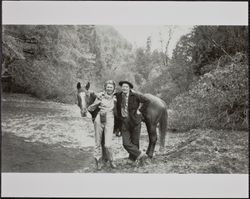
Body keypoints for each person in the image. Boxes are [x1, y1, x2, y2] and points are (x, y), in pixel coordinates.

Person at [115, 80, 150, 165]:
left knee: (135, 142)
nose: (124, 88)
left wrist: (140, 110)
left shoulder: (136, 95)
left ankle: (133, 159)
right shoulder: (118, 95)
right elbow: (108, 94)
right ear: (121, 88)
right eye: (123, 87)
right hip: (124, 122)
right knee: (125, 143)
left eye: (126, 87)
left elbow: (147, 101)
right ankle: (141, 155)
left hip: (135, 121)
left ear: (129, 88)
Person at [87, 80, 117, 170]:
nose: (109, 88)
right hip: (99, 118)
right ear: (105, 87)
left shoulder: (116, 97)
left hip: (110, 119)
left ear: (113, 88)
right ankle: (97, 162)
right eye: (107, 87)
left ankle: (111, 160)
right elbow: (91, 107)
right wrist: (86, 109)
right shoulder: (100, 96)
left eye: (111, 87)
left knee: (107, 144)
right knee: (97, 142)